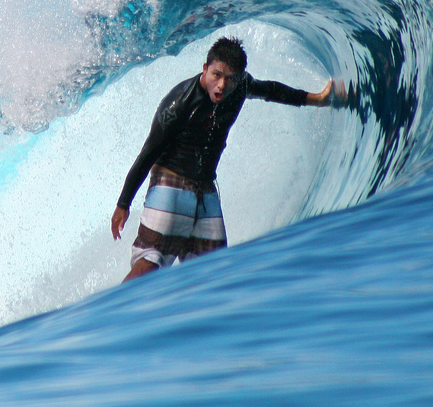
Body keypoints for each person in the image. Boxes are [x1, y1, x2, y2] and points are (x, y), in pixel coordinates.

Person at [111, 36, 334, 282]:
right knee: (148, 267)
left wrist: (316, 99)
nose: (221, 85)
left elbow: (271, 90)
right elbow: (148, 153)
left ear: (239, 78)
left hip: (206, 194)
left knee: (213, 275)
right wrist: (124, 204)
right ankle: (110, 317)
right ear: (205, 69)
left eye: (230, 79)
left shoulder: (241, 87)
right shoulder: (178, 103)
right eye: (216, 75)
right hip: (169, 188)